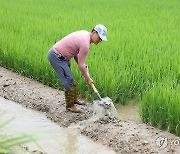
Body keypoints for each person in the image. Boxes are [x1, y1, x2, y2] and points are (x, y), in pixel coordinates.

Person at [48, 24, 108, 113]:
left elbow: (75, 52)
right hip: (57, 56)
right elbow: (81, 64)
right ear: (94, 32)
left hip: (64, 57)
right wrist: (88, 79)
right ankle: (70, 106)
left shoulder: (85, 35)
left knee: (70, 79)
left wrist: (82, 65)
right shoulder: (85, 44)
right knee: (68, 79)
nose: (100, 40)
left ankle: (73, 99)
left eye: (101, 39)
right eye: (99, 37)